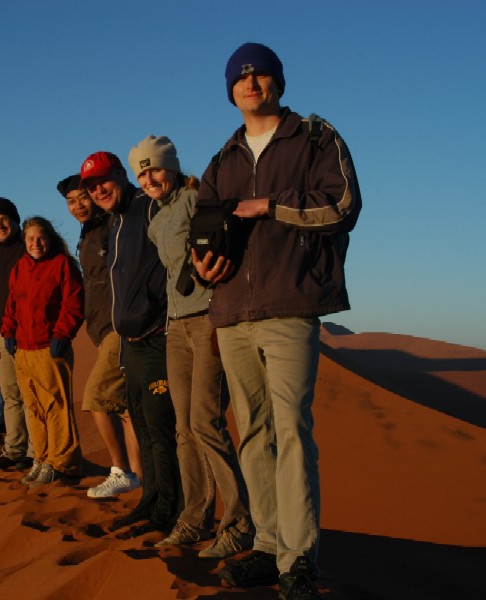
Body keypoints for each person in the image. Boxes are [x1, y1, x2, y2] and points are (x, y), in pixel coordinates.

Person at [191, 43, 362, 599]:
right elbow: (205, 227)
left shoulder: (314, 137)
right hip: (233, 311)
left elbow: (342, 207)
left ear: (278, 82)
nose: (250, 83)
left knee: (291, 430)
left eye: (260, 74)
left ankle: (299, 558)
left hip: (291, 304)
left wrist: (267, 205)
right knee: (253, 433)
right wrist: (203, 262)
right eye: (239, 78)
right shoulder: (222, 160)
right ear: (229, 91)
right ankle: (267, 545)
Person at [129, 135, 253, 559]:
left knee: (205, 421)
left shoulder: (197, 198)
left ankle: (238, 523)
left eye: (155, 169)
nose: (149, 178)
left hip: (209, 320)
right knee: (183, 429)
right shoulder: (155, 221)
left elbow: (225, 241)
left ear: (172, 166)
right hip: (175, 328)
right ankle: (193, 518)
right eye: (142, 173)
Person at [80, 151, 180, 534]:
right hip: (131, 342)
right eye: (91, 186)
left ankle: (170, 509)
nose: (99, 190)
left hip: (158, 337)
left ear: (123, 175)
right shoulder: (116, 222)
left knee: (160, 429)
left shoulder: (148, 209)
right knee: (141, 421)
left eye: (104, 181)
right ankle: (151, 501)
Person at [57, 174, 142, 499]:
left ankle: (119, 469)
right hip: (102, 328)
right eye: (71, 201)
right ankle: (137, 477)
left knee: (95, 398)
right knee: (125, 408)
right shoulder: (89, 232)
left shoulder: (111, 226)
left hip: (118, 327)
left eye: (83, 198)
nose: (78, 206)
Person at [1, 216, 85, 488]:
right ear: (24, 241)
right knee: (34, 407)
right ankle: (41, 456)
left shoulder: (61, 265)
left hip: (49, 347)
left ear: (49, 238)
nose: (36, 244)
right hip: (23, 349)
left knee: (56, 406)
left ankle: (60, 462)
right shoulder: (19, 268)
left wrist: (62, 334)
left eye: (41, 238)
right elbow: (12, 303)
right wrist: (8, 331)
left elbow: (73, 303)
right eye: (30, 239)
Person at [0, 197, 34, 471]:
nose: (0, 226)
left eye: (4, 220)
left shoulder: (26, 246)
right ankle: (14, 449)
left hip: (25, 332)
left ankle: (35, 452)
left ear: (15, 220)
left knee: (29, 393)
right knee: (10, 394)